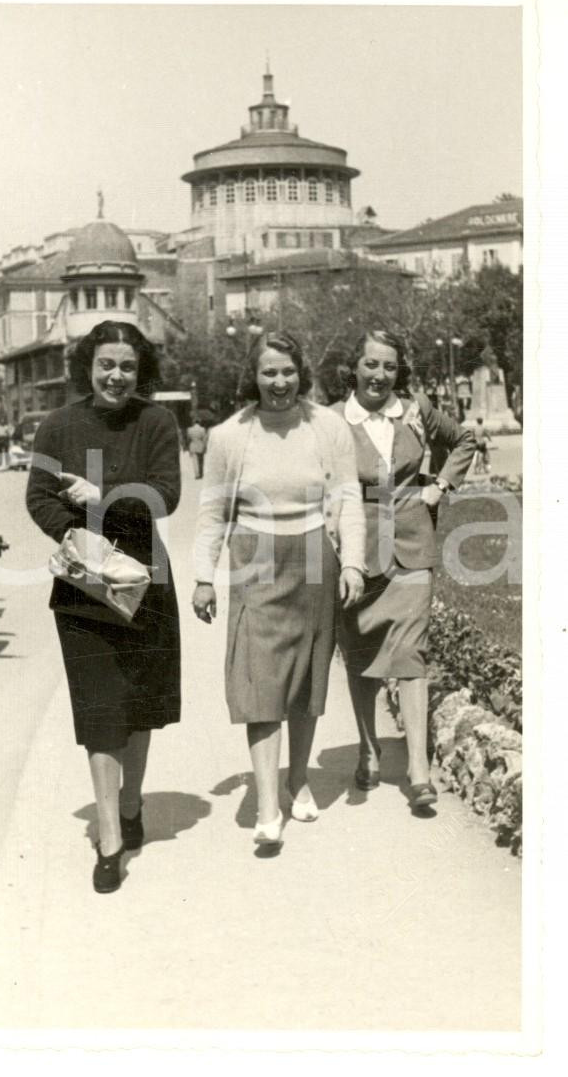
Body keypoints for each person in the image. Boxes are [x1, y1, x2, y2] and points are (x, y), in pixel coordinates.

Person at [192, 332, 365, 849]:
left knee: (307, 675)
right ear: (254, 376)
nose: (280, 382)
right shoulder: (229, 436)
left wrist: (352, 562)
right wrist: (204, 575)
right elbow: (212, 512)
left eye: (288, 371)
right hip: (255, 557)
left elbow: (349, 496)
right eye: (269, 372)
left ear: (301, 373)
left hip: (315, 555)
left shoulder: (327, 426)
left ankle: (299, 778)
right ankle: (268, 802)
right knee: (262, 680)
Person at [26, 320, 182, 893]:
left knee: (139, 705)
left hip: (146, 582)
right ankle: (110, 837)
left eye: (127, 367)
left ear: (140, 372)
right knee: (99, 710)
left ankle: (133, 801)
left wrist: (105, 498)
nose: (116, 376)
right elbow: (38, 497)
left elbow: (166, 494)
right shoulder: (57, 426)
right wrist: (79, 538)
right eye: (105, 365)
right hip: (81, 592)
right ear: (87, 366)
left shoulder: (158, 421)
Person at [332, 330, 475, 809]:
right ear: (354, 368)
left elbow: (464, 440)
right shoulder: (332, 421)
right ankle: (369, 749)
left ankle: (418, 767)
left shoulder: (415, 411)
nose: (379, 375)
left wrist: (441, 487)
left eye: (389, 367)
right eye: (371, 364)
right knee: (361, 655)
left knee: (412, 656)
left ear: (399, 372)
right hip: (355, 553)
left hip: (413, 547)